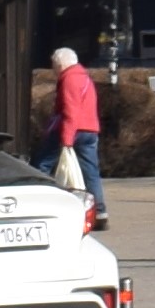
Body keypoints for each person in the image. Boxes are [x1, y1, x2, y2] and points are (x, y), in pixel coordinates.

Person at [45, 45, 103, 196]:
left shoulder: (69, 79)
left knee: (42, 164)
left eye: (54, 66)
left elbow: (71, 111)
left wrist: (66, 140)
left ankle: (36, 199)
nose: (54, 71)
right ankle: (99, 210)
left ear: (60, 65)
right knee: (91, 173)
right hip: (91, 130)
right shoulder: (85, 78)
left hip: (74, 130)